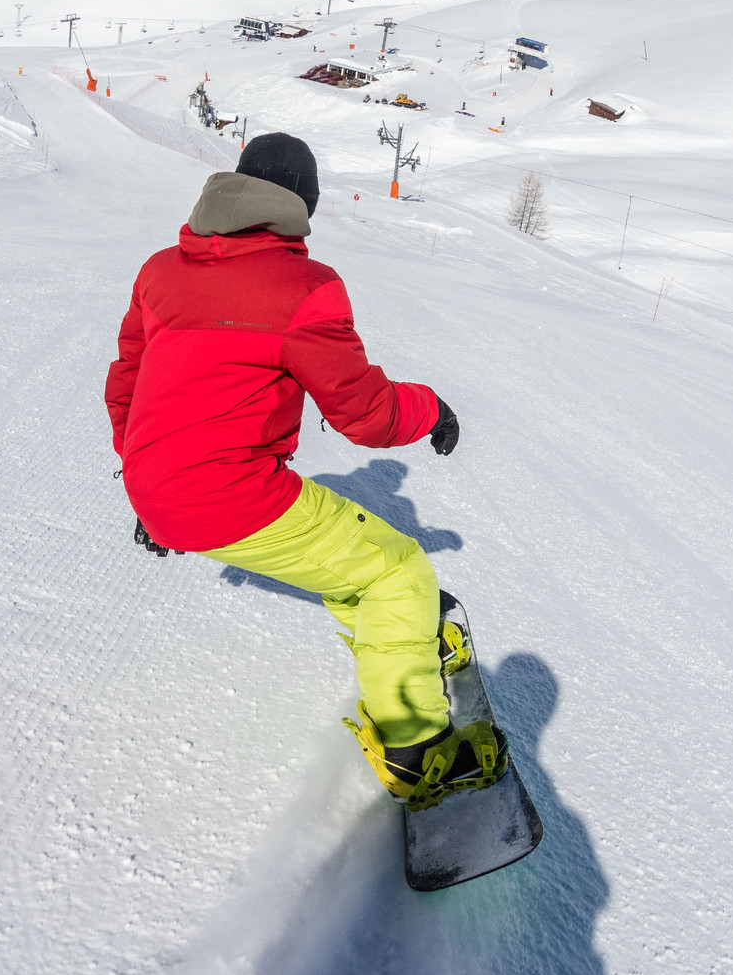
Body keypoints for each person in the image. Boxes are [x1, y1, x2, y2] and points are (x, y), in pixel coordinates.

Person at [104, 130, 493, 805]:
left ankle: (401, 646)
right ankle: (418, 749)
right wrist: (432, 410)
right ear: (302, 206)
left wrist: (151, 488)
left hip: (158, 484)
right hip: (226, 492)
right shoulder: (305, 288)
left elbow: (128, 384)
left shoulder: (161, 270)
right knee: (398, 570)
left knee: (351, 563)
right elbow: (364, 413)